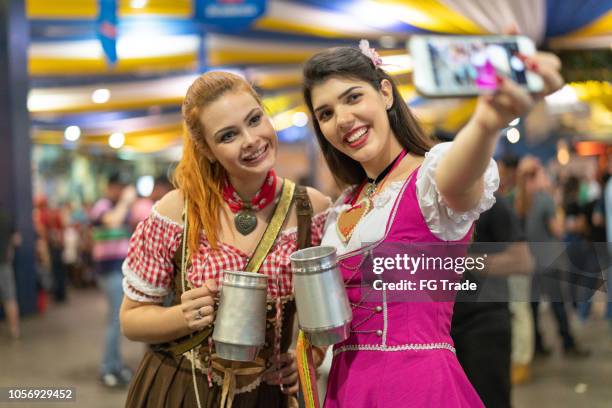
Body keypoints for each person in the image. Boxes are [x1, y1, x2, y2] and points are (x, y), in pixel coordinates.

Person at [301, 41, 563, 407]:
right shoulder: (343, 205)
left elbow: (459, 179)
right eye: (325, 113)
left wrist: (487, 122)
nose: (342, 119)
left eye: (353, 97)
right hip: (346, 393)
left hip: (418, 388)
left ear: (385, 93)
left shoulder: (430, 177)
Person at [120, 71, 330, 407]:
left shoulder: (312, 210)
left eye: (254, 119)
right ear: (207, 149)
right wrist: (181, 316)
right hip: (183, 390)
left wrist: (311, 355)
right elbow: (131, 319)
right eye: (228, 135)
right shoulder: (178, 212)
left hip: (267, 396)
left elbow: (327, 312)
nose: (251, 139)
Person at [451, 194, 533, 408]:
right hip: (442, 331)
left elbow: (522, 261)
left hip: (483, 326)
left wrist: (464, 260)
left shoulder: (490, 203)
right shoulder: (429, 202)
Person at [515, 158, 589, 358]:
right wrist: (565, 221)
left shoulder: (519, 200)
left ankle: (537, 345)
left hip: (530, 262)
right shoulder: (545, 199)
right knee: (558, 305)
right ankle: (568, 343)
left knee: (533, 306)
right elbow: (557, 230)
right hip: (549, 261)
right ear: (536, 176)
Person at [90, 175, 138, 388]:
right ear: (111, 187)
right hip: (108, 271)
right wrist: (126, 202)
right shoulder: (102, 206)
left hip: (121, 269)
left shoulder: (118, 206)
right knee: (115, 319)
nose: (121, 191)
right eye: (118, 187)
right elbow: (112, 221)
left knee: (116, 319)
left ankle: (116, 365)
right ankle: (107, 368)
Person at [0, 205, 21, 340]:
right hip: (5, 263)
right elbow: (17, 240)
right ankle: (15, 330)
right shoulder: (7, 217)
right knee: (10, 298)